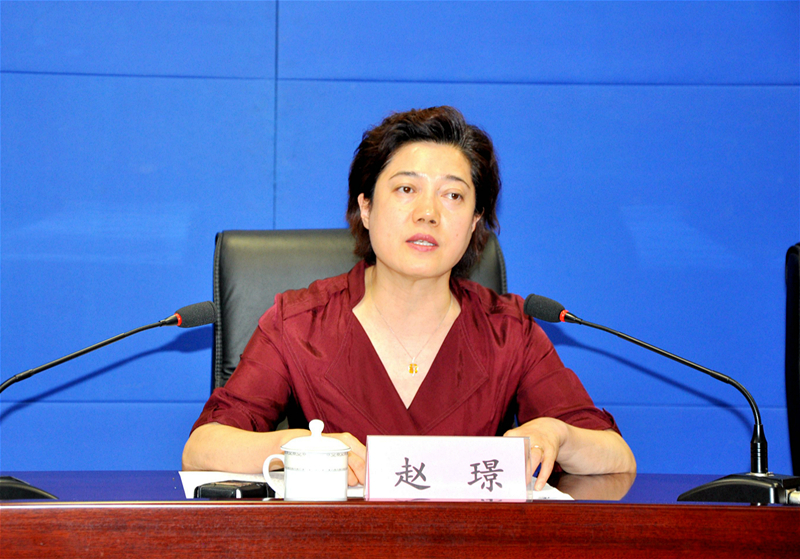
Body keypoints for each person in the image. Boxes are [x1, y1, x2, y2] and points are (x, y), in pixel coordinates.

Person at [182, 106, 636, 490]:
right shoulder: (301, 323)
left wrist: (556, 435)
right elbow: (202, 448)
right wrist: (300, 447)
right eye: (406, 189)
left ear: (475, 221)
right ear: (365, 206)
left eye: (453, 195)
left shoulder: (508, 331)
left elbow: (617, 458)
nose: (428, 213)